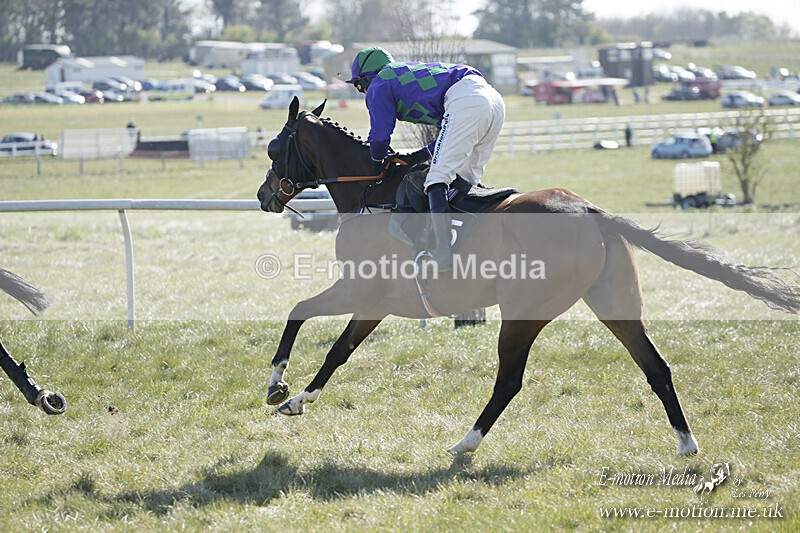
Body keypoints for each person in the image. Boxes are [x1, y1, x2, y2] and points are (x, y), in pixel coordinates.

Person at [346, 46, 506, 270]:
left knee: (437, 178)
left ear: (366, 78)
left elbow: (380, 138)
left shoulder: (379, 83)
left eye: (359, 86)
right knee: (464, 179)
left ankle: (442, 255)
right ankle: (473, 243)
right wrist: (416, 156)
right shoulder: (401, 76)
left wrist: (377, 160)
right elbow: (446, 137)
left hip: (467, 99)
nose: (363, 92)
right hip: (493, 99)